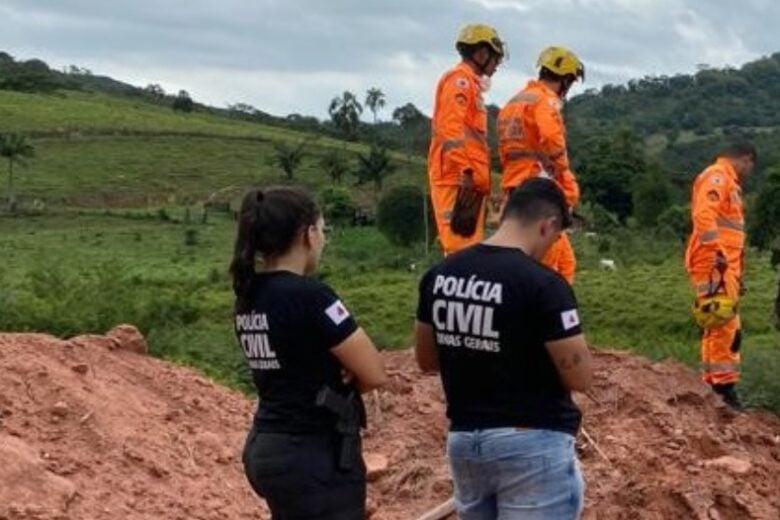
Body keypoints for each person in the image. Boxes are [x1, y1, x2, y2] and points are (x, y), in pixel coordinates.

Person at [415, 178, 593, 519]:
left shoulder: (439, 275)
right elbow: (579, 377)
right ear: (548, 225)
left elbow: (425, 359)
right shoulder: (545, 285)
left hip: (466, 442)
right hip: (533, 443)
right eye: (556, 238)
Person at [230, 186, 387, 519]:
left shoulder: (248, 295)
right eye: (323, 230)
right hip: (312, 454)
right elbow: (374, 372)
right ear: (308, 234)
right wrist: (346, 372)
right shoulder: (311, 296)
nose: (324, 240)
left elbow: (293, 362)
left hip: (268, 446)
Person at [497, 46, 585, 283]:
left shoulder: (513, 103)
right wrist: (564, 174)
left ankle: (559, 309)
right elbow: (551, 138)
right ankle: (542, 313)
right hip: (539, 183)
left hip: (515, 184)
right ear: (565, 79)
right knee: (544, 261)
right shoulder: (546, 101)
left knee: (565, 261)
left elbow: (504, 150)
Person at [685, 143, 756, 410]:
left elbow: (733, 234)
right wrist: (717, 253)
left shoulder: (726, 181)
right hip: (715, 262)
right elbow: (704, 215)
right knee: (725, 323)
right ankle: (723, 387)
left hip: (722, 264)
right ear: (745, 159)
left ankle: (713, 382)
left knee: (716, 321)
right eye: (750, 166)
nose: (749, 172)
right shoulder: (718, 177)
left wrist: (736, 271)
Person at [428, 23, 506, 255]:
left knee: (468, 249)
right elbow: (450, 130)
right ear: (481, 53)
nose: (497, 64)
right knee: (458, 250)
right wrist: (466, 171)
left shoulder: (471, 85)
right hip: (458, 178)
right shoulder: (459, 82)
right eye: (494, 57)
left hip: (468, 181)